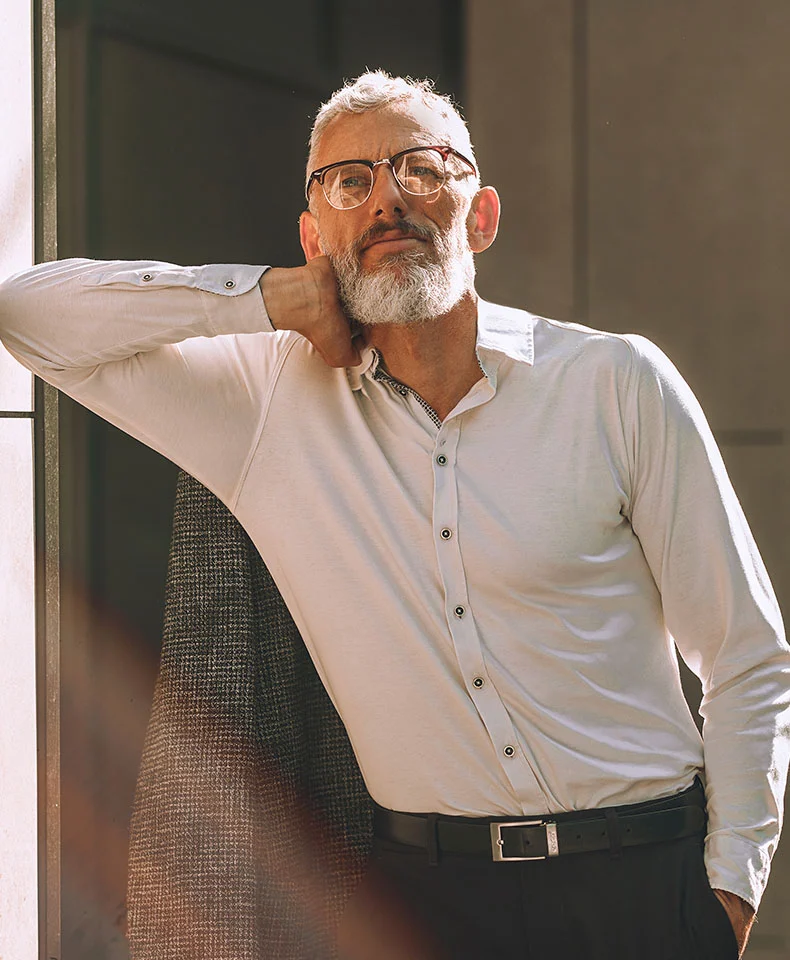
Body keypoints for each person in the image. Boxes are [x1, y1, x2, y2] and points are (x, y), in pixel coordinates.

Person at [1, 70, 788, 960]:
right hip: (429, 903)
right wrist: (264, 297)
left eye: (421, 168)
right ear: (314, 234)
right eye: (350, 182)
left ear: (479, 214)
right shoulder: (262, 409)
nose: (386, 200)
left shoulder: (615, 383)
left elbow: (745, 653)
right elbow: (28, 313)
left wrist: (729, 888)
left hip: (645, 882)